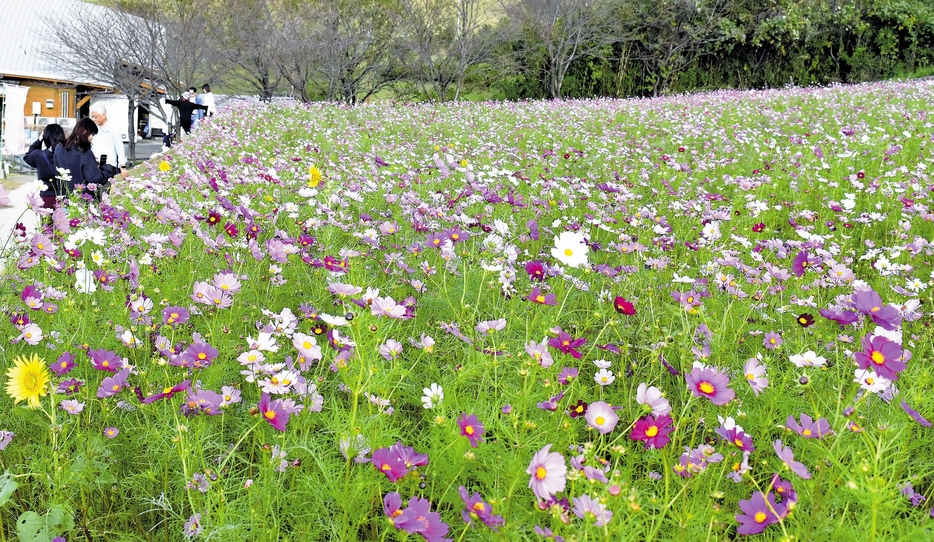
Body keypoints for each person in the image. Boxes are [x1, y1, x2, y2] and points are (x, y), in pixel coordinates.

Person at [53, 117, 104, 202]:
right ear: (85, 132)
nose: (91, 138)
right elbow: (94, 178)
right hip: (82, 198)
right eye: (91, 134)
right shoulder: (84, 151)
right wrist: (105, 170)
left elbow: (56, 170)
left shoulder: (59, 147)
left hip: (64, 196)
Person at [23, 123, 66, 212]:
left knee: (46, 225)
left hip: (46, 197)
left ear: (45, 137)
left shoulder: (38, 155)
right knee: (63, 224)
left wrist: (39, 140)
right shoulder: (67, 155)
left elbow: (27, 157)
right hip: (63, 196)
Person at [89, 102, 128, 183]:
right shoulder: (93, 127)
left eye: (95, 116)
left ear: (103, 115)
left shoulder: (113, 127)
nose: (94, 119)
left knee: (105, 188)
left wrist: (122, 166)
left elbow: (119, 147)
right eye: (92, 117)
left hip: (108, 164)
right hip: (94, 163)